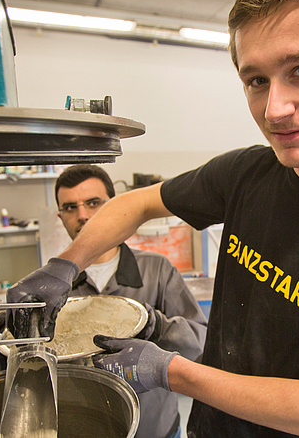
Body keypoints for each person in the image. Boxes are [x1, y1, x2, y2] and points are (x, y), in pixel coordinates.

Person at [7, 0, 299, 436]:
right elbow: (137, 203)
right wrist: (65, 265)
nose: (275, 110)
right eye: (257, 81)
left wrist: (169, 371)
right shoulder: (248, 173)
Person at [54, 164, 207, 438]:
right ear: (60, 216)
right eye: (70, 207)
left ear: (112, 206)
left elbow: (200, 343)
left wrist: (156, 326)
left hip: (156, 428)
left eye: (93, 203)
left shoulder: (157, 271)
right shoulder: (55, 287)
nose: (83, 215)